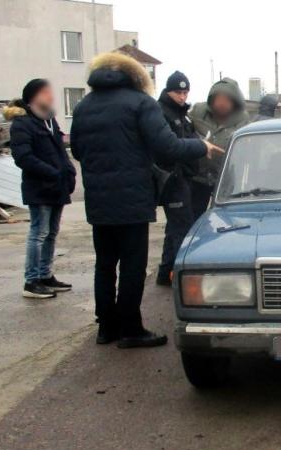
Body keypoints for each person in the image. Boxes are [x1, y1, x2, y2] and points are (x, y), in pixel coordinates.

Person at [70, 52, 221, 348]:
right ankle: (131, 328)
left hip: (99, 200)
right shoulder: (140, 103)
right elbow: (167, 147)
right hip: (132, 198)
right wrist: (200, 147)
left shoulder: (84, 106)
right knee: (132, 265)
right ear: (137, 76)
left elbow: (76, 150)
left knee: (105, 263)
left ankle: (106, 327)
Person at [5, 79, 76, 299]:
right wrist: (51, 172)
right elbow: (23, 157)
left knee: (51, 233)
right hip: (39, 187)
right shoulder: (23, 124)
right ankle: (32, 280)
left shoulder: (49, 120)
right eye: (46, 92)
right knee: (39, 233)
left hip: (57, 187)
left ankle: (46, 276)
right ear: (34, 96)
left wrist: (69, 172)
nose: (51, 96)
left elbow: (60, 151)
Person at [155, 71, 197, 286]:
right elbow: (168, 146)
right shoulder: (161, 112)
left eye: (185, 92)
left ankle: (166, 271)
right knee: (182, 227)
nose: (182, 96)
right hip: (173, 177)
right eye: (178, 92)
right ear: (168, 91)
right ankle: (180, 276)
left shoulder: (181, 113)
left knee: (175, 227)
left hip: (183, 176)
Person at [189, 77, 250, 219]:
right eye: (219, 99)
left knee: (228, 218)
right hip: (198, 177)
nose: (222, 103)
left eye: (227, 99)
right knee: (193, 217)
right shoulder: (198, 112)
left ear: (234, 101)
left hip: (226, 178)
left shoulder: (242, 119)